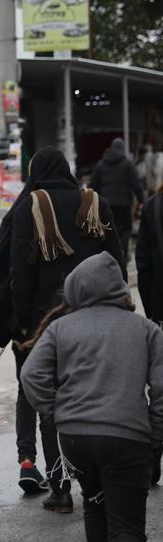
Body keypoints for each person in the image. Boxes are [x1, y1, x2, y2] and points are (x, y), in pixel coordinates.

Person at [20, 252, 163, 542]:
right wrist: (155, 437)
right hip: (126, 440)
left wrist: (56, 413)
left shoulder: (61, 327)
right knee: (129, 531)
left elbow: (30, 376)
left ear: (77, 289)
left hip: (76, 440)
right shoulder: (146, 329)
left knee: (96, 507)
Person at [11, 147, 123, 512]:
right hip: (95, 319)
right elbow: (116, 263)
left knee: (50, 404)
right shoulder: (95, 204)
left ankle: (59, 488)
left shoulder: (30, 207)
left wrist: (22, 323)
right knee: (95, 397)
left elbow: (19, 272)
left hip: (46, 322)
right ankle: (97, 482)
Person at [134, 183, 163, 485]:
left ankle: (154, 452)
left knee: (159, 387)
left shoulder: (154, 206)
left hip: (160, 309)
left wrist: (151, 310)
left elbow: (142, 263)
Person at [90, 138, 144, 267]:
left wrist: (95, 201)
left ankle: (111, 255)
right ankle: (124, 253)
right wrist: (141, 200)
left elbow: (92, 185)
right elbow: (136, 184)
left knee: (109, 229)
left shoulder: (101, 164)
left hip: (106, 204)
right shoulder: (128, 164)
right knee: (126, 229)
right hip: (124, 204)